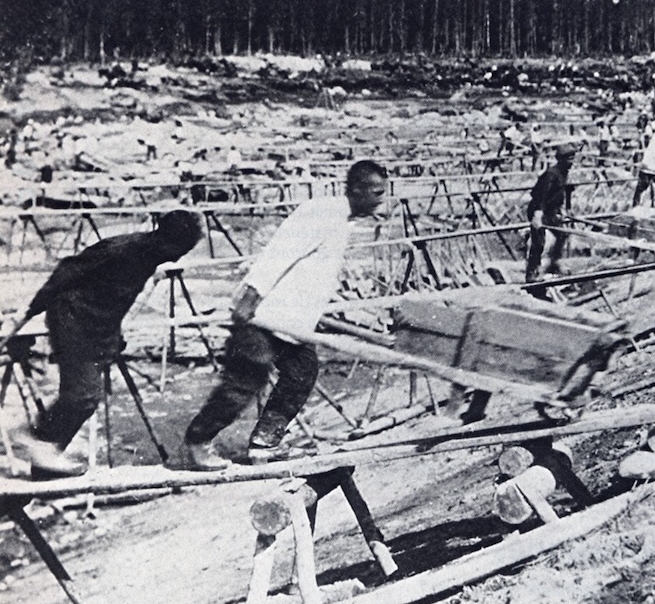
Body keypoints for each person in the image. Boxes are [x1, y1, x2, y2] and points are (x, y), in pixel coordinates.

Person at [183, 160, 388, 469]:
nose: (380, 200)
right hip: (263, 317)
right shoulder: (322, 212)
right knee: (244, 383)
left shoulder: (344, 220)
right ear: (357, 190)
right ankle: (198, 440)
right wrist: (251, 295)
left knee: (302, 373)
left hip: (290, 322)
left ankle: (264, 444)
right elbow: (279, 253)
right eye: (376, 192)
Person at [12, 210, 203, 478]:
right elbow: (67, 270)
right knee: (84, 395)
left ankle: (44, 458)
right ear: (174, 243)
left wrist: (113, 335)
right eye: (184, 249)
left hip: (97, 324)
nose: (181, 256)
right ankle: (38, 439)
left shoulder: (150, 255)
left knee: (86, 396)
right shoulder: (124, 248)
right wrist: (31, 311)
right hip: (72, 317)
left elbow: (114, 296)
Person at [524, 142, 578, 285]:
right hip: (538, 210)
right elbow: (540, 195)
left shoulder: (564, 173)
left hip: (551, 211)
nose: (572, 162)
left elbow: (564, 192)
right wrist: (537, 215)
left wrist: (565, 209)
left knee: (562, 234)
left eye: (573, 158)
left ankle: (554, 262)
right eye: (569, 159)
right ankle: (532, 273)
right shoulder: (551, 174)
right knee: (538, 242)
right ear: (561, 159)